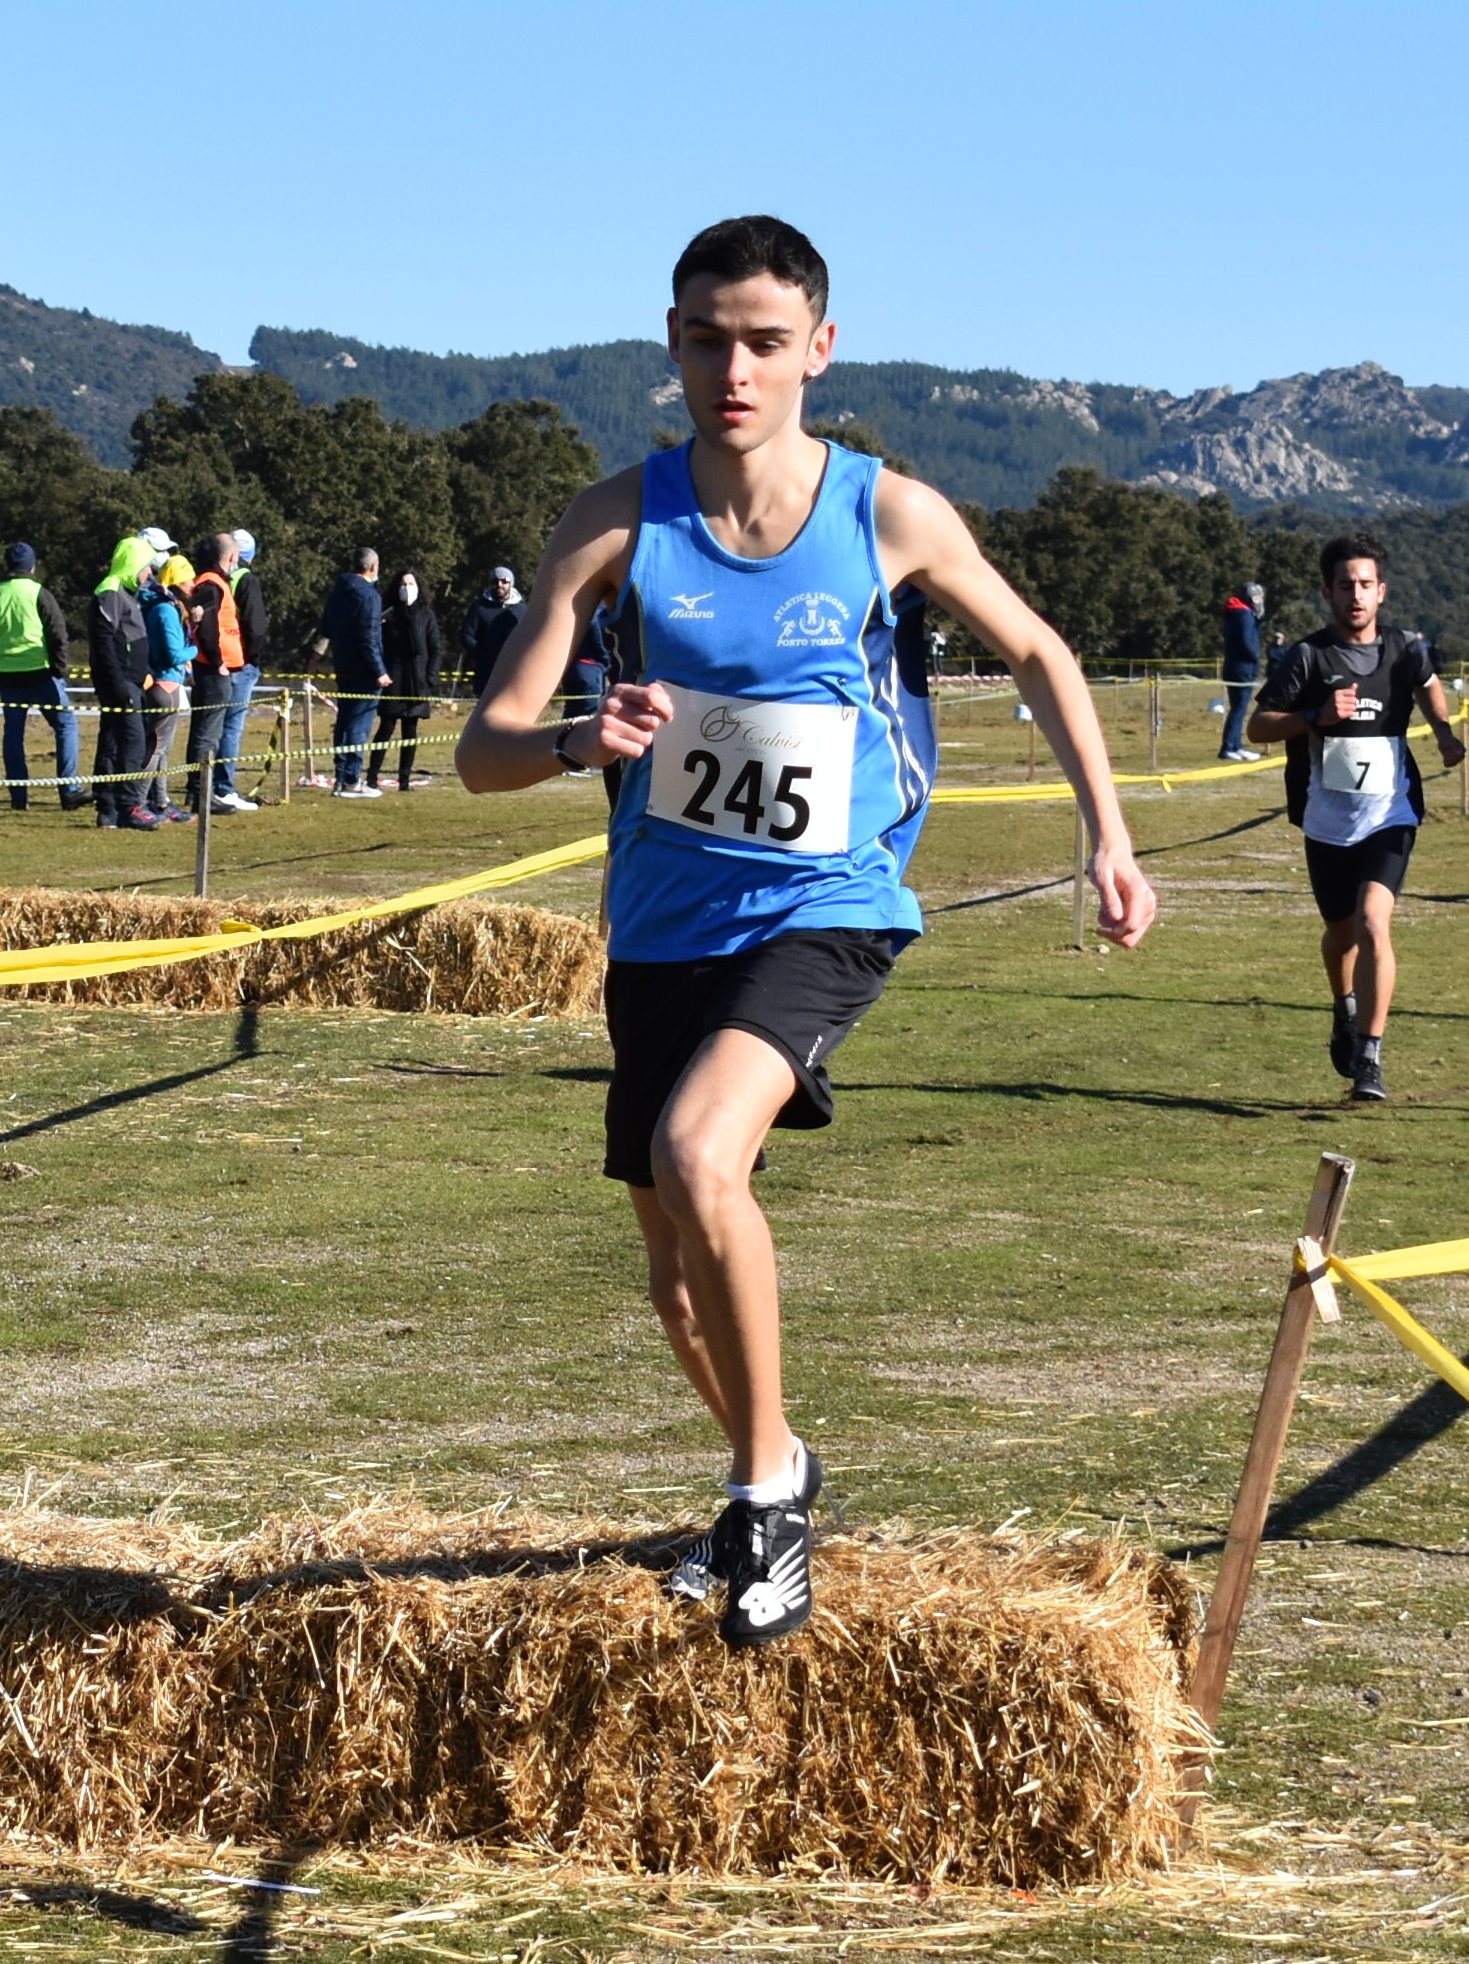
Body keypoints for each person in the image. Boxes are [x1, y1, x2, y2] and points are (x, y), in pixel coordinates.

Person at [456, 215, 1155, 1650]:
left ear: (818, 350)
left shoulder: (886, 513)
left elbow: (1038, 650)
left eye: (765, 342)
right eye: (708, 339)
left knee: (698, 1152)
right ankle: (772, 1458)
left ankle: (763, 1502)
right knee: (673, 1282)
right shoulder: (614, 523)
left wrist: (1108, 832)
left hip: (826, 905)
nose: (734, 369)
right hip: (662, 927)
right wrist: (582, 737)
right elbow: (484, 751)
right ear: (671, 341)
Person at [1247, 530, 1464, 1102]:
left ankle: (1370, 1055)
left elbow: (1428, 684)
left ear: (1382, 591)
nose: (1356, 595)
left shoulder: (1405, 648)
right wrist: (1313, 716)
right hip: (1327, 820)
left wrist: (1444, 732)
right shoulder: (1308, 657)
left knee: (1372, 923)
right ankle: (1344, 1006)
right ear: (1328, 593)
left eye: (1366, 584)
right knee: (1340, 933)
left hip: (1390, 812)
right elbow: (1257, 727)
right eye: (1345, 586)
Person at [0, 541, 88, 812]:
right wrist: (59, 670)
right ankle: (68, 790)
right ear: (32, 567)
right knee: (66, 726)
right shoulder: (40, 593)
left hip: (7, 676)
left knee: (13, 735)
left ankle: (18, 796)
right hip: (41, 674)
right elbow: (58, 633)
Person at [88, 535, 161, 830]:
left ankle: (108, 809)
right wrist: (118, 683)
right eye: (146, 566)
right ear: (133, 563)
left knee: (113, 741)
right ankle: (129, 806)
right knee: (133, 741)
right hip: (120, 681)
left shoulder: (125, 592)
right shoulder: (111, 592)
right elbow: (104, 642)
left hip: (130, 680)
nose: (149, 572)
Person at [318, 546, 389, 797]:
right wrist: (379, 671)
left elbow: (327, 627)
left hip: (343, 665)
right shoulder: (369, 596)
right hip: (364, 671)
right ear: (373, 566)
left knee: (344, 722)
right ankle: (351, 780)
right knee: (360, 725)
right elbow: (368, 639)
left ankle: (340, 777)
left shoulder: (339, 592)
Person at [368, 566, 443, 791]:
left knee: (410, 731)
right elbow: (377, 645)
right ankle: (371, 777)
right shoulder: (388, 615)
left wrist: (430, 676)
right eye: (403, 584)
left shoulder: (426, 614)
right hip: (393, 680)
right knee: (386, 728)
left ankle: (404, 780)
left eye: (410, 584)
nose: (406, 588)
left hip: (417, 681)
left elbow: (436, 648)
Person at [184, 534, 244, 815]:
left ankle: (198, 792)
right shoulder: (211, 584)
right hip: (212, 669)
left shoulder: (214, 582)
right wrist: (218, 661)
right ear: (231, 556)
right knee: (207, 735)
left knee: (206, 731)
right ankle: (201, 794)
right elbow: (206, 628)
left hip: (213, 667)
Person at [138, 552, 199, 822]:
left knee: (162, 748)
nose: (192, 585)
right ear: (177, 582)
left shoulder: (167, 607)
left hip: (168, 683)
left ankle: (160, 801)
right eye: (188, 580)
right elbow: (175, 654)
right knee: (156, 748)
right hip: (165, 684)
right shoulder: (165, 610)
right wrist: (195, 650)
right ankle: (139, 803)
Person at [212, 527, 268, 813]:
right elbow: (256, 626)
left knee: (213, 726)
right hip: (239, 661)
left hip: (215, 659)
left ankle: (207, 784)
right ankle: (224, 788)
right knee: (232, 727)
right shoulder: (247, 579)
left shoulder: (215, 576)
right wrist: (252, 659)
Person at [460, 567, 524, 696]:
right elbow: (466, 635)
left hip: (514, 674)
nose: (499, 585)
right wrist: (482, 653)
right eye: (495, 581)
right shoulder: (479, 608)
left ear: (511, 584)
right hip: (486, 675)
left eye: (504, 581)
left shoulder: (521, 610)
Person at [1219, 582, 1264, 761]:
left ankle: (1236, 745)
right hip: (1242, 668)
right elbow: (1248, 641)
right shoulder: (1244, 615)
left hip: (1233, 666)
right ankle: (1229, 746)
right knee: (1239, 708)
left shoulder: (1234, 613)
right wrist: (1256, 658)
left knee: (1238, 708)